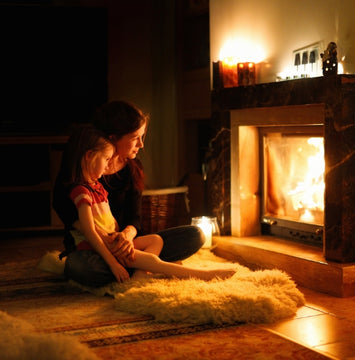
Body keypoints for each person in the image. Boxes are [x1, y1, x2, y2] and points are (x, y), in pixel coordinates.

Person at [53, 101, 226, 287]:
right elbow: (61, 204)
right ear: (114, 138)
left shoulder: (132, 168)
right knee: (80, 267)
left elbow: (134, 217)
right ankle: (143, 265)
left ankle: (138, 268)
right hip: (91, 247)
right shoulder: (84, 166)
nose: (141, 145)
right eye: (135, 137)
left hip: (128, 242)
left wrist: (126, 236)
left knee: (194, 235)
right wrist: (106, 238)